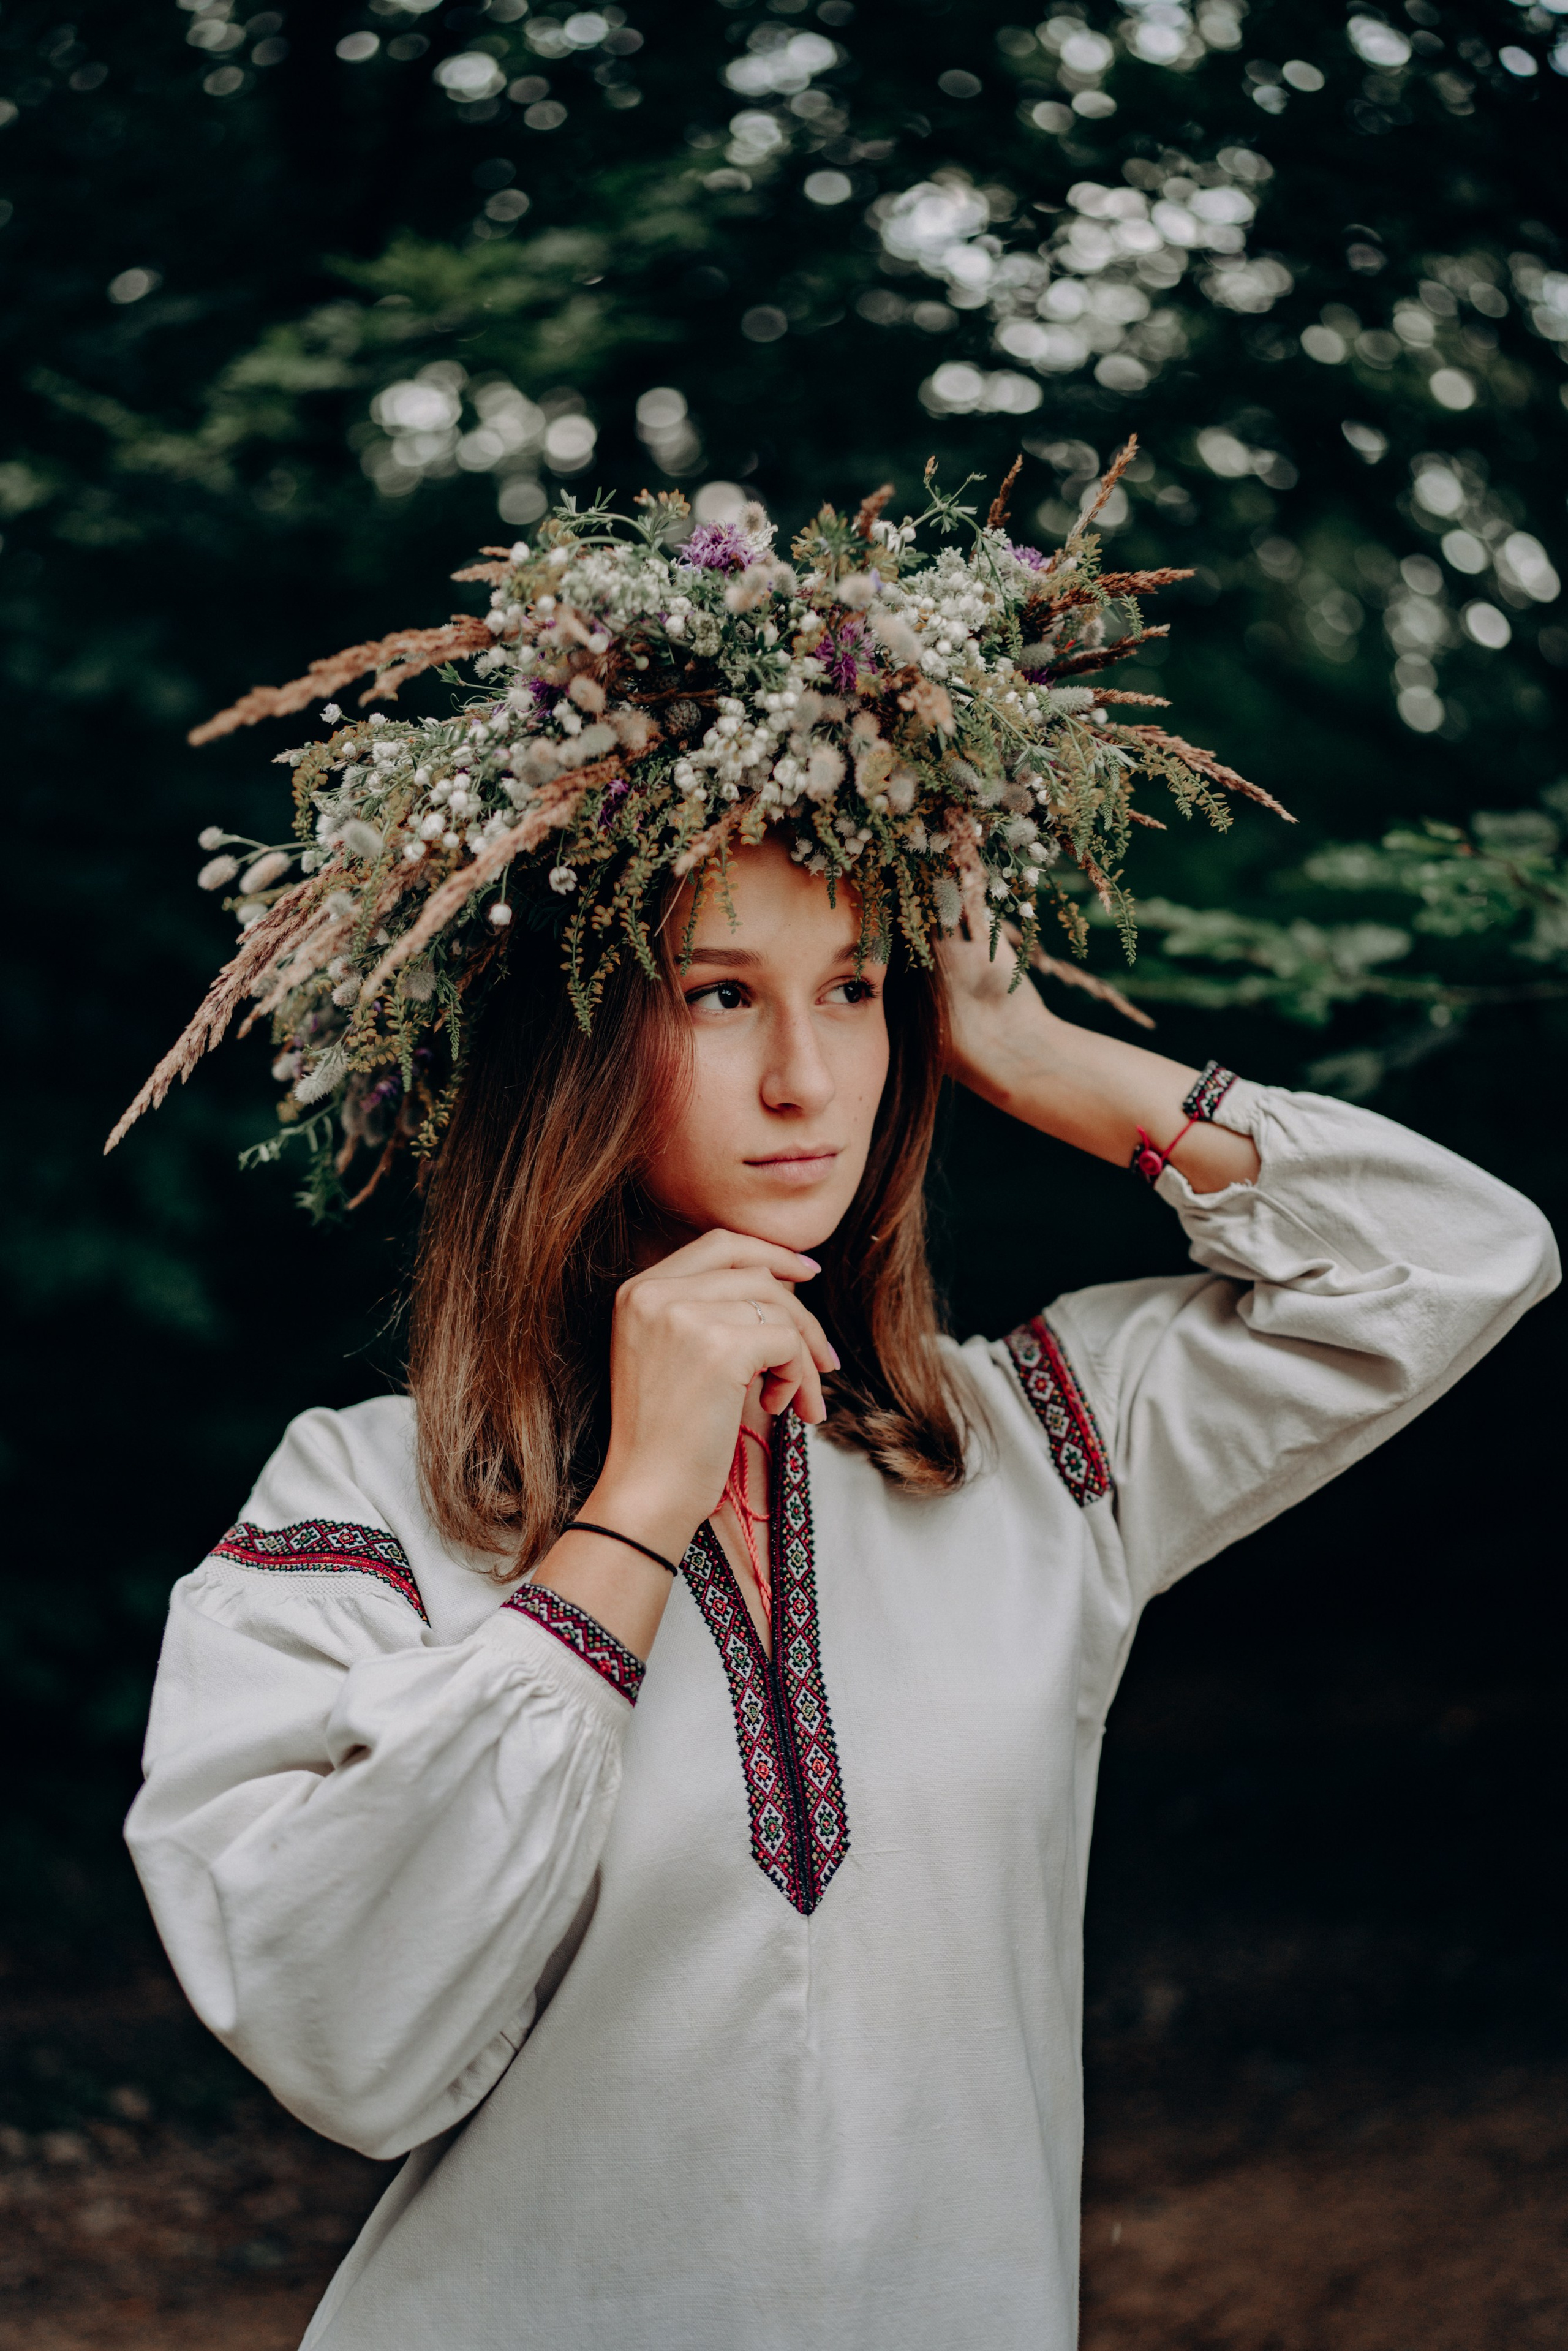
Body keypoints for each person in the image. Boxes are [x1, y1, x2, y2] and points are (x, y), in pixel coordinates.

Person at [126, 832, 1556, 2351]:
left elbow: (1461, 1255)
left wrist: (1022, 1047)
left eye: (855, 986)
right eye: (719, 994)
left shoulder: (1033, 1445)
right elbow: (345, 2037)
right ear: (568, 1042)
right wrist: (635, 1508)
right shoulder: (361, 1500)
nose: (806, 1078)